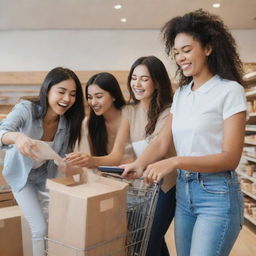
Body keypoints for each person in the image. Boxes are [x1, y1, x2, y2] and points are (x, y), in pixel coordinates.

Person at [122, 10, 247, 256]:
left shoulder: (229, 91)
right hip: (185, 192)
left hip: (217, 195)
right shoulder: (182, 94)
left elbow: (230, 158)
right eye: (177, 52)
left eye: (187, 50)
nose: (180, 58)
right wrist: (138, 164)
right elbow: (162, 141)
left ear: (208, 48)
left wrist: (176, 161)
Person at [65, 56, 176, 256]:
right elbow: (116, 154)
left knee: (147, 245)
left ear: (157, 82)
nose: (137, 83)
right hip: (142, 187)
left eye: (144, 78)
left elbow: (159, 145)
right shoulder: (130, 111)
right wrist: (91, 160)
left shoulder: (168, 111)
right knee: (150, 243)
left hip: (163, 186)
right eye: (134, 77)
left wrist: (136, 164)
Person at [0, 67, 85, 256]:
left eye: (72, 94)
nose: (67, 99)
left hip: (46, 177)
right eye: (61, 92)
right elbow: (2, 131)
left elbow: (62, 155)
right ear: (48, 90)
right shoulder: (26, 109)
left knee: (58, 223)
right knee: (39, 228)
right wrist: (17, 138)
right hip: (22, 178)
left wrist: (66, 163)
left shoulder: (67, 122)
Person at [74, 72, 134, 164]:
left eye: (99, 96)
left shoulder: (131, 116)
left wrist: (91, 160)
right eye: (89, 97)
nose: (93, 102)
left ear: (113, 96)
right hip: (107, 175)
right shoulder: (89, 123)